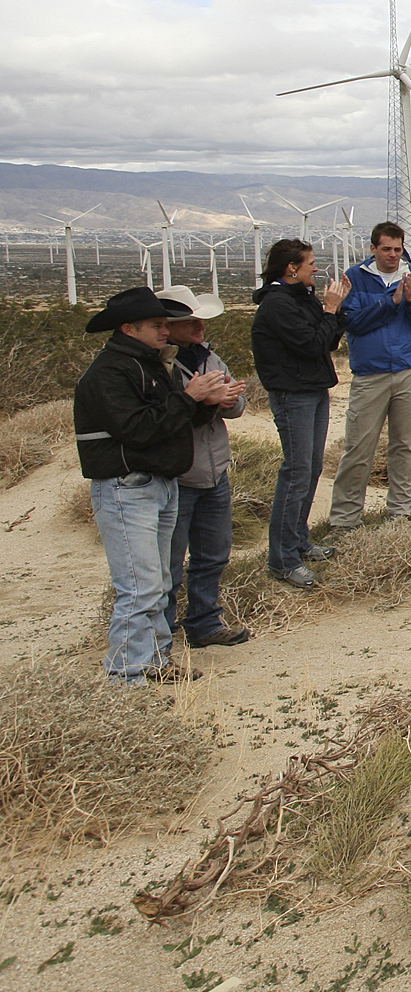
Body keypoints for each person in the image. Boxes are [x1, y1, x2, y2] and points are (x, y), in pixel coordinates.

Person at [74, 287, 233, 683]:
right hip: (127, 488)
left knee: (159, 583)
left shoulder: (147, 365)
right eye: (158, 325)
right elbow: (138, 430)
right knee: (140, 587)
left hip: (159, 484)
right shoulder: (110, 372)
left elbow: (171, 425)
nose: (166, 331)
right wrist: (189, 397)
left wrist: (208, 402)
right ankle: (125, 677)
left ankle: (156, 661)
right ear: (129, 328)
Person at [327, 222, 411, 529]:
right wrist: (390, 303)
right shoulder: (354, 278)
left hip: (409, 370)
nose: (392, 255)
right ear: (373, 248)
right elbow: (353, 322)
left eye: (398, 249)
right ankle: (345, 518)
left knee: (404, 445)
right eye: (386, 249)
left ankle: (401, 513)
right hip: (370, 373)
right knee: (359, 447)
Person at [252, 238, 347, 588]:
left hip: (313, 389)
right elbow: (310, 343)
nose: (316, 268)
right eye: (310, 263)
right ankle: (281, 559)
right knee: (296, 472)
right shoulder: (277, 304)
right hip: (293, 394)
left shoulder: (300, 299)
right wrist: (328, 310)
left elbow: (329, 339)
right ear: (292, 267)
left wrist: (338, 308)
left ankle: (298, 541)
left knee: (311, 469)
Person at [159, 287, 250, 648]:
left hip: (215, 470)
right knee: (169, 563)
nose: (199, 326)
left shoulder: (211, 359)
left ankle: (203, 623)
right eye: (190, 321)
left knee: (213, 554)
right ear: (171, 326)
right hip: (180, 474)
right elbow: (166, 418)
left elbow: (238, 403)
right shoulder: (161, 367)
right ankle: (161, 634)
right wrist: (207, 401)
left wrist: (222, 401)